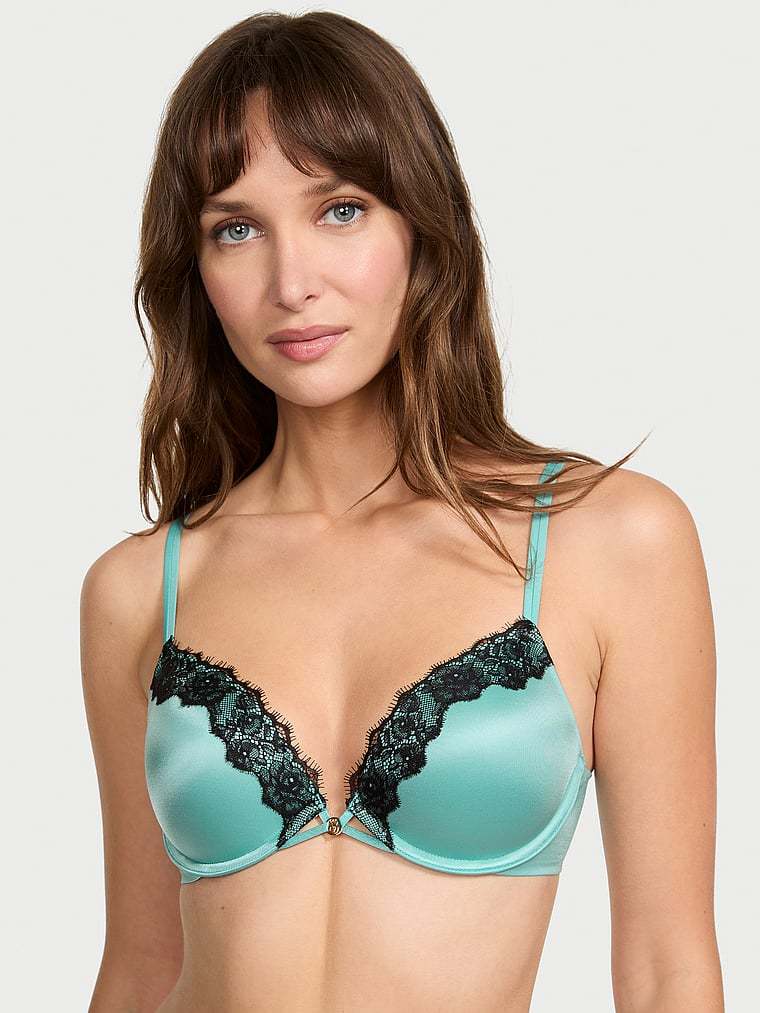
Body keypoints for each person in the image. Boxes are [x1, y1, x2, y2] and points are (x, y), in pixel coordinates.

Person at [80, 11, 723, 1012]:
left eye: (339, 209)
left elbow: (665, 970)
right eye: (236, 228)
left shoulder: (610, 541)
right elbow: (139, 971)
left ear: (421, 227)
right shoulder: (140, 588)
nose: (292, 283)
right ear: (197, 271)